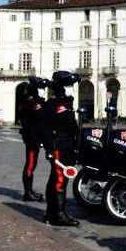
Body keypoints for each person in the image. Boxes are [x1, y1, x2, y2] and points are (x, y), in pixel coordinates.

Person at [41, 71, 82, 227]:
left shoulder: (65, 103)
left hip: (66, 146)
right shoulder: (53, 104)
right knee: (59, 180)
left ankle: (50, 213)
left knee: (55, 179)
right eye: (69, 85)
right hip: (58, 146)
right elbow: (45, 129)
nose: (71, 88)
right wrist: (50, 149)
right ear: (61, 87)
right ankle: (58, 215)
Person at [18, 77, 50, 202]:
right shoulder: (31, 102)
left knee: (32, 163)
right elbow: (37, 118)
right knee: (30, 164)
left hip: (36, 136)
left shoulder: (34, 101)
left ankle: (29, 191)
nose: (42, 91)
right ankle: (28, 192)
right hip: (32, 138)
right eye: (41, 89)